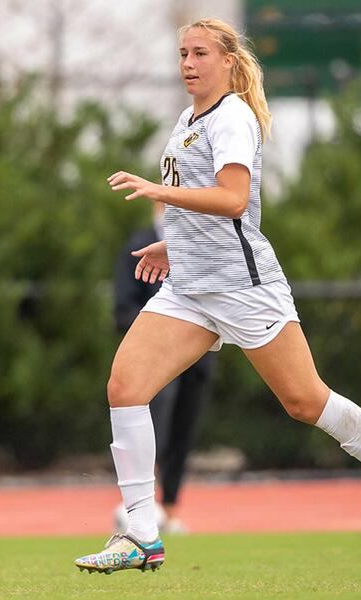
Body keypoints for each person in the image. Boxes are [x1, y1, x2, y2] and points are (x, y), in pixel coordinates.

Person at [74, 18, 361, 574]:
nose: (188, 63)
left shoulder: (234, 117)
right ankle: (141, 534)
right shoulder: (187, 120)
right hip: (191, 288)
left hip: (245, 289)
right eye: (182, 53)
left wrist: (158, 191)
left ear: (228, 61)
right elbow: (211, 216)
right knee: (125, 386)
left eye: (200, 52)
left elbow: (232, 200)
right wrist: (171, 248)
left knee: (306, 401)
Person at [112, 200, 215, 535]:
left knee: (184, 431)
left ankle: (169, 510)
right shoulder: (137, 244)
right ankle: (142, 509)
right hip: (154, 356)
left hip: (196, 358)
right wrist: (157, 336)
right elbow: (123, 307)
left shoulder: (200, 245)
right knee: (152, 423)